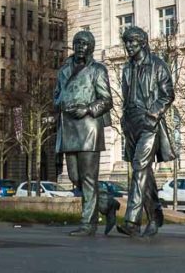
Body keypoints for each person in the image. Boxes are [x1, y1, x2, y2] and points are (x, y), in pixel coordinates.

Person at [116, 26, 175, 238]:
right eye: (126, 42)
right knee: (144, 172)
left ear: (143, 42)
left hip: (149, 123)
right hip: (131, 123)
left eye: (132, 41)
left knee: (139, 167)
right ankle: (155, 214)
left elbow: (168, 94)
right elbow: (125, 97)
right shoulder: (126, 68)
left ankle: (132, 221)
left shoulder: (158, 65)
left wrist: (152, 115)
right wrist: (124, 119)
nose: (129, 46)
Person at [54, 31, 113, 236]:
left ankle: (88, 223)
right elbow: (56, 94)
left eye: (85, 43)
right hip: (68, 126)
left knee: (88, 177)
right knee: (74, 176)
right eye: (77, 43)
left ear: (91, 47)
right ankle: (107, 202)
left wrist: (87, 109)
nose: (81, 46)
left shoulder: (97, 70)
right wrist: (60, 103)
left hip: (88, 127)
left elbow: (106, 100)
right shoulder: (64, 69)